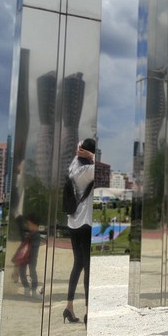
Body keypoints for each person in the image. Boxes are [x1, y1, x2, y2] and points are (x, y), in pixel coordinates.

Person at [64, 138, 95, 325]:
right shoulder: (87, 170)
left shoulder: (73, 166)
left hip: (72, 222)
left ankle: (69, 306)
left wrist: (86, 154)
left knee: (77, 264)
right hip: (85, 222)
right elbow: (101, 170)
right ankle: (87, 310)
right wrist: (92, 156)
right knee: (88, 267)